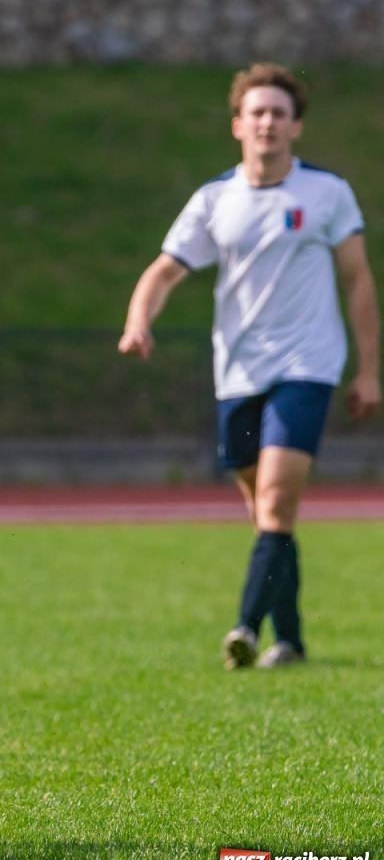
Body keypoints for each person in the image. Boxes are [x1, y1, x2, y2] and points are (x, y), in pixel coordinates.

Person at [118, 61, 379, 669]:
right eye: (256, 112)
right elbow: (165, 269)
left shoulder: (327, 194)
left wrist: (369, 371)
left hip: (307, 364)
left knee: (277, 499)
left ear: (296, 127)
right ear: (238, 124)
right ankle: (291, 638)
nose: (267, 122)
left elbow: (358, 280)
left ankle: (245, 628)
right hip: (236, 371)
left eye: (279, 113)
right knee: (267, 511)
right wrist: (139, 320)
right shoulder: (215, 199)